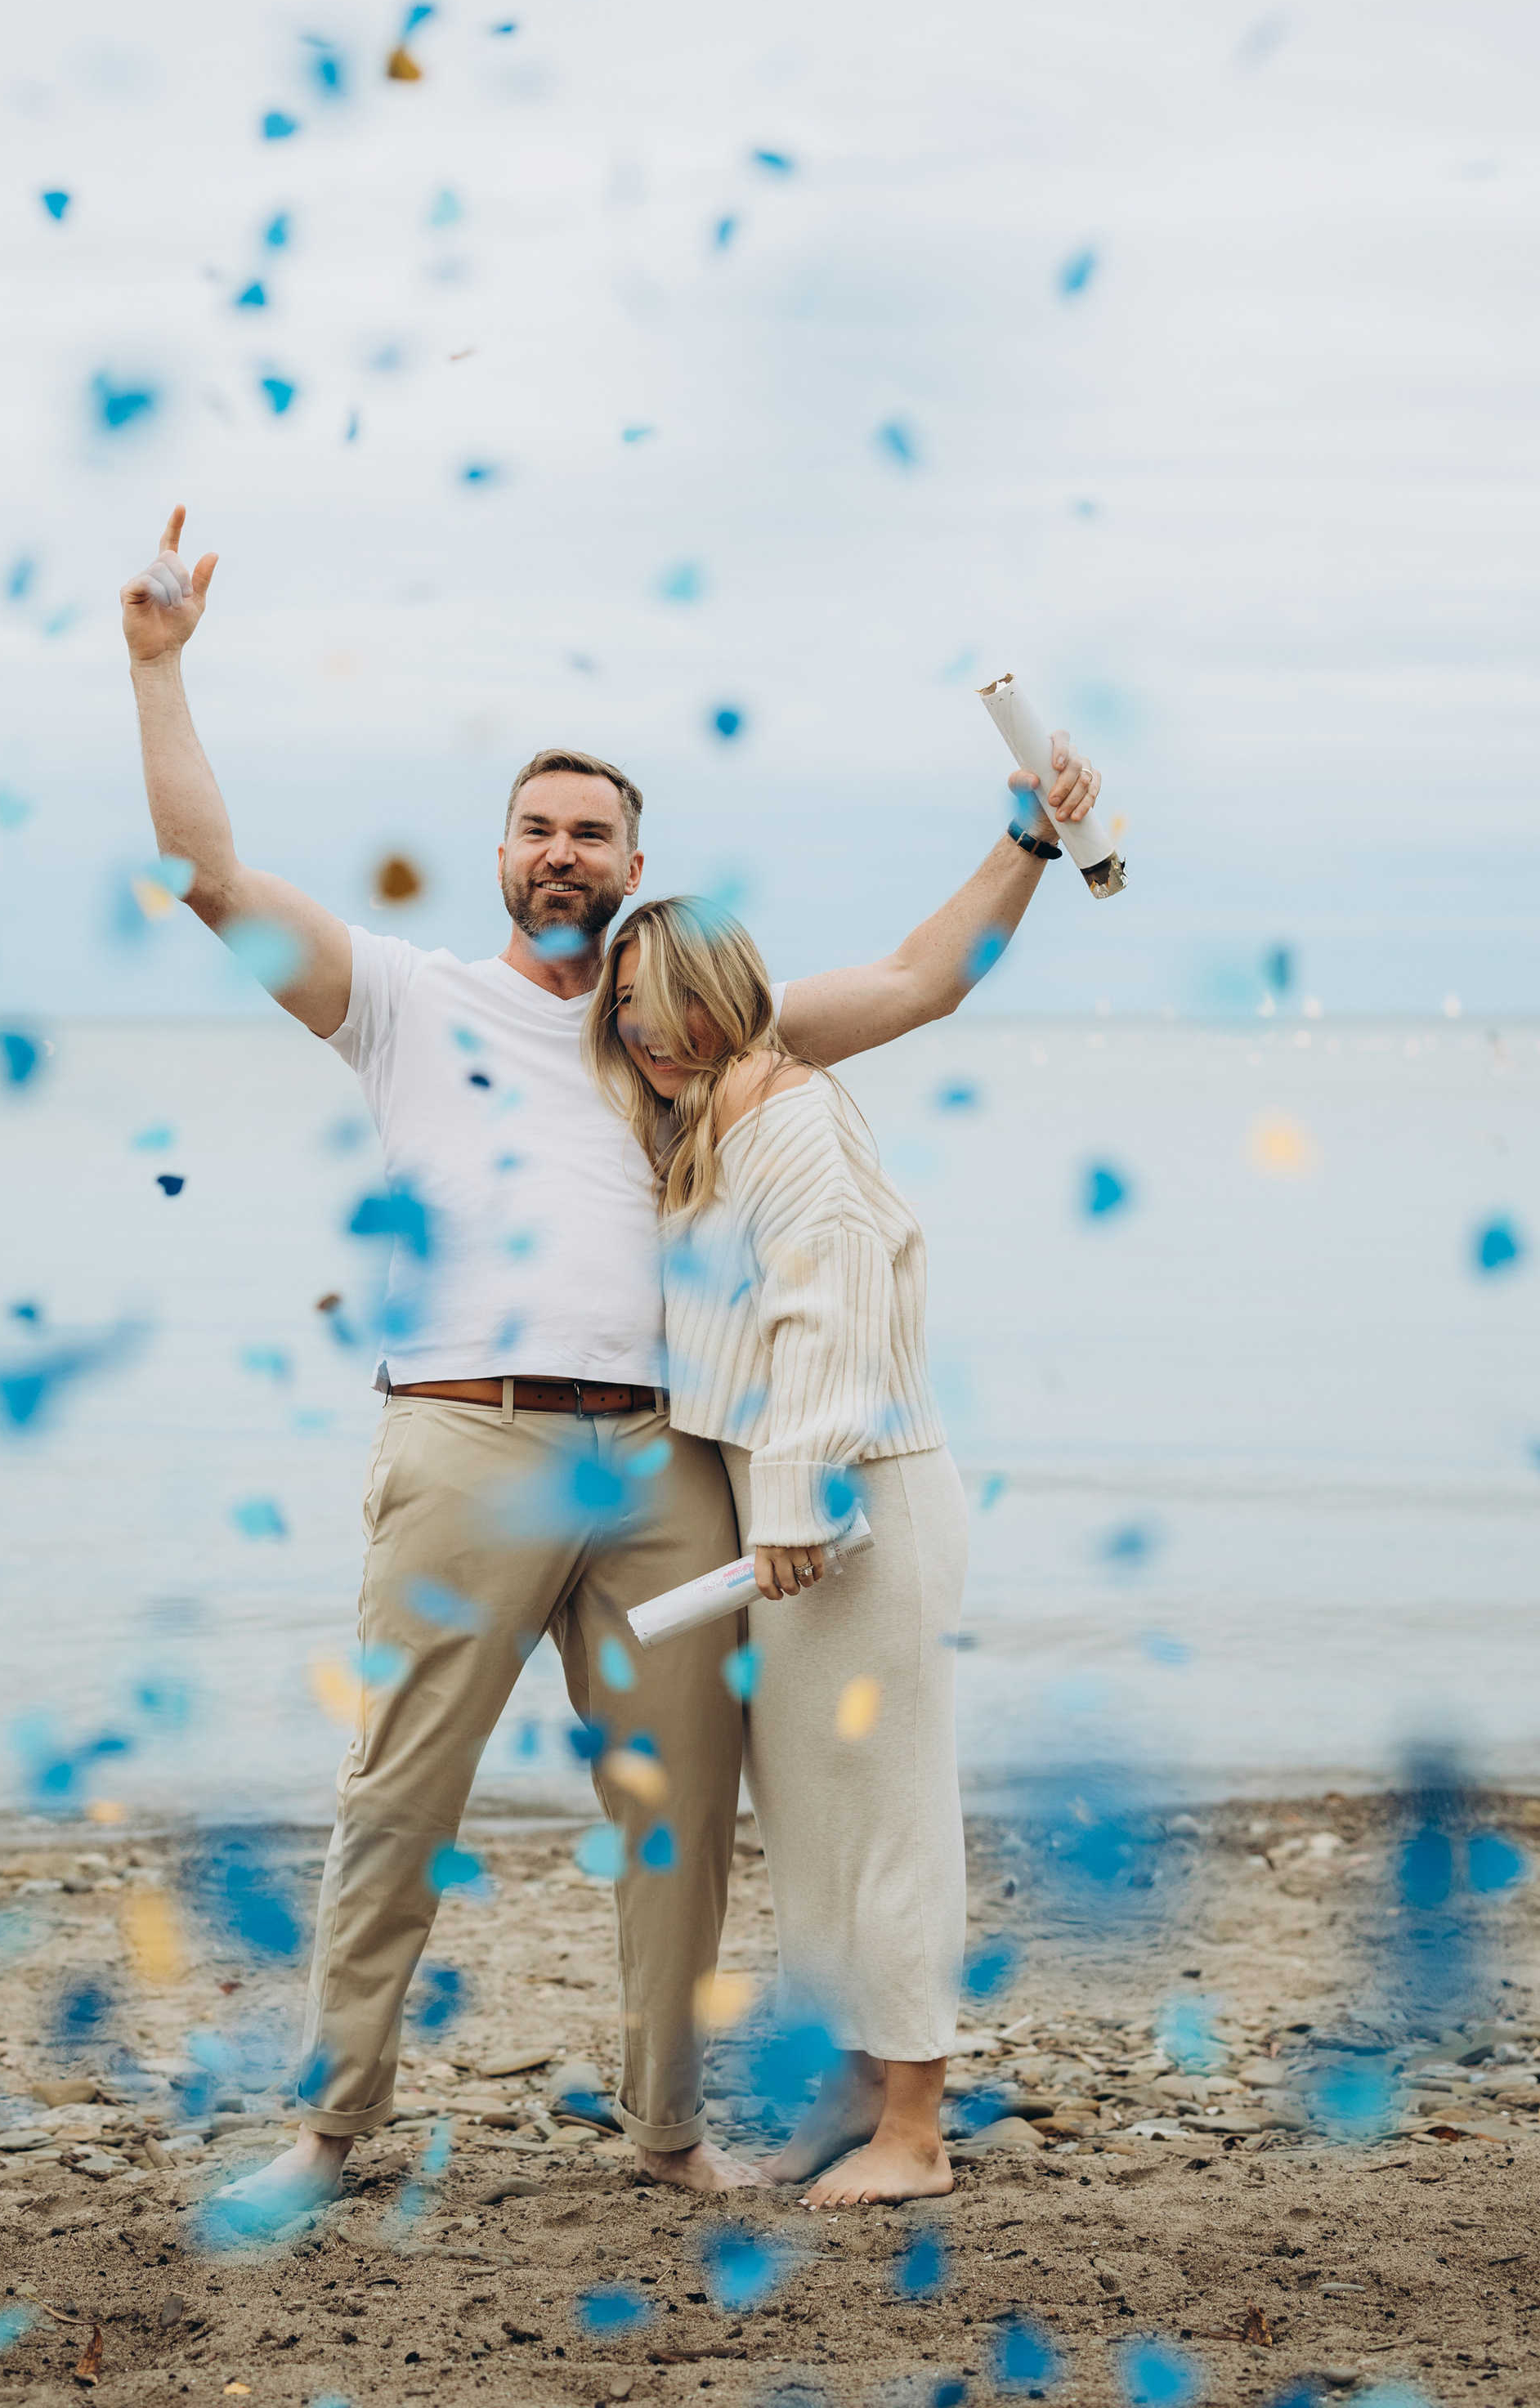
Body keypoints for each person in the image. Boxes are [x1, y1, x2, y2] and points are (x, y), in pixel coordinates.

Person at [119, 505, 1100, 2218]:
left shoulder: (690, 1031)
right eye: (537, 828)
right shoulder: (402, 999)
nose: (561, 851)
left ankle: (667, 2134)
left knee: (682, 1814)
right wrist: (155, 666)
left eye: (591, 831)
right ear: (500, 856)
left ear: (633, 863)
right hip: (463, 1441)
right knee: (397, 1797)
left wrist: (1027, 836)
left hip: (664, 1461)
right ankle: (328, 2134)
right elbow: (211, 877)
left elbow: (918, 979)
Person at [586, 895, 968, 2209]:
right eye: (624, 1005)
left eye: (666, 1000)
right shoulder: (712, 1119)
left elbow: (831, 1307)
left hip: (857, 1502)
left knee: (886, 1816)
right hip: (784, 1504)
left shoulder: (791, 1111)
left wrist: (796, 1500)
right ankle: (856, 2091)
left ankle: (916, 2130)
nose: (644, 1028)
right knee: (811, 1824)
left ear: (727, 993)